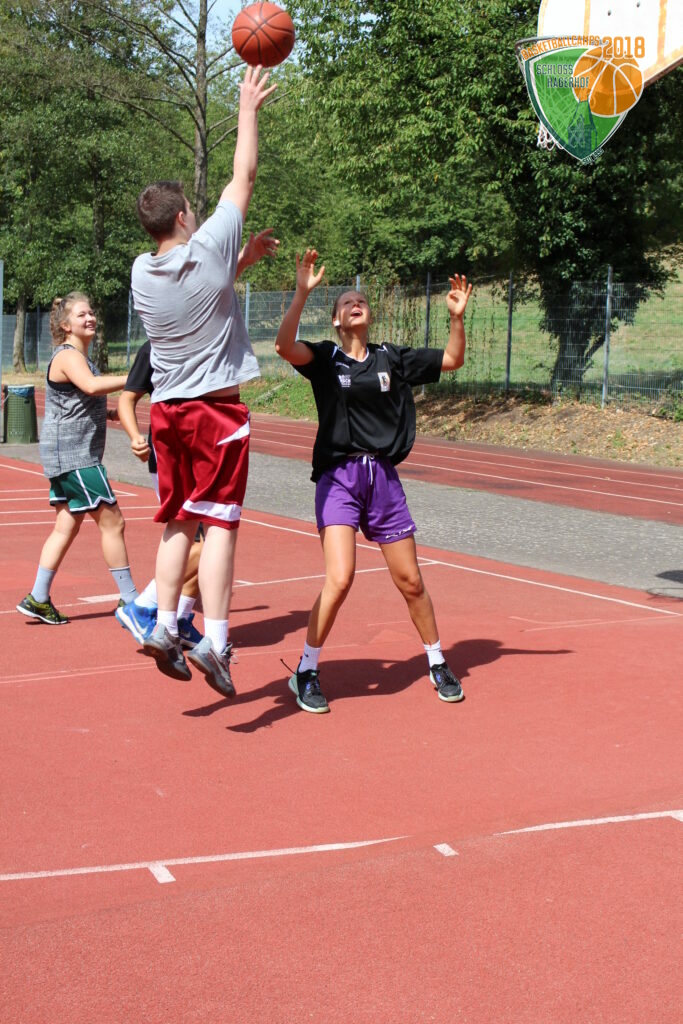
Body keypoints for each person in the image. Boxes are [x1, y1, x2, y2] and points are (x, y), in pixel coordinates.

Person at [130, 64, 276, 698]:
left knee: (177, 523)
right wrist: (247, 108)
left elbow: (205, 288)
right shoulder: (208, 243)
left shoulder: (141, 272)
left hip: (167, 412)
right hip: (215, 414)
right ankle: (215, 639)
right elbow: (243, 176)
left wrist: (240, 260)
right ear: (186, 216)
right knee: (220, 524)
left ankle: (164, 626)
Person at [274, 249, 473, 713]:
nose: (355, 304)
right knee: (340, 578)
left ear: (369, 315)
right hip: (339, 478)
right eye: (346, 302)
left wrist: (456, 319)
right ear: (337, 319)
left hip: (382, 477)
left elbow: (452, 359)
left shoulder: (391, 358)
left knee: (411, 581)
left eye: (361, 300)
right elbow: (284, 346)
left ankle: (437, 661)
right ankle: (307, 670)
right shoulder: (326, 358)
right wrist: (301, 293)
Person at [116, 225, 279, 648]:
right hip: (187, 435)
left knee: (199, 536)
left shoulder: (182, 308)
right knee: (202, 534)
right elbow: (127, 397)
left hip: (186, 428)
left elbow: (210, 285)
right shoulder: (158, 344)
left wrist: (245, 259)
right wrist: (134, 435)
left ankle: (177, 616)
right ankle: (149, 608)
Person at [17, 293, 138, 625]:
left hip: (64, 454)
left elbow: (79, 401)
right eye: (82, 314)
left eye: (91, 312)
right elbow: (92, 386)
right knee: (113, 521)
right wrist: (138, 378)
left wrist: (110, 414)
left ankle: (38, 597)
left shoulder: (80, 358)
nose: (90, 318)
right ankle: (131, 601)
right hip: (75, 456)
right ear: (65, 325)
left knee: (66, 526)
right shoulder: (68, 356)